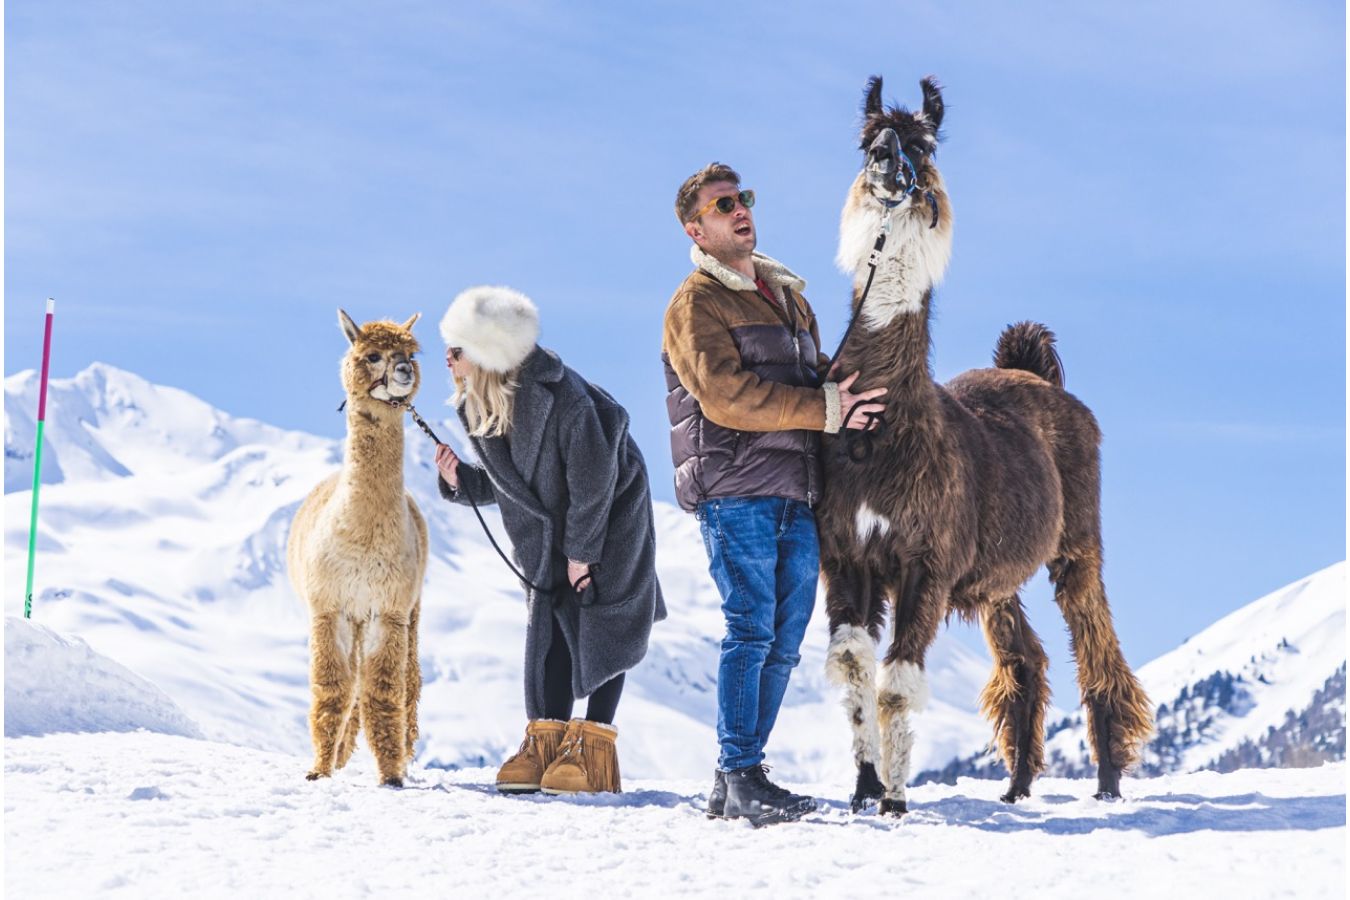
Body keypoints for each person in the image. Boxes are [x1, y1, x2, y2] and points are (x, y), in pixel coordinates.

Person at [662, 163, 888, 825]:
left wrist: (853, 394)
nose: (740, 211)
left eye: (744, 199)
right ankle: (741, 773)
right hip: (736, 488)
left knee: (785, 640)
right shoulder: (696, 301)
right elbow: (726, 396)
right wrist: (825, 409)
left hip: (797, 488)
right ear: (695, 228)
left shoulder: (785, 296)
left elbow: (816, 378)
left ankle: (735, 776)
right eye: (723, 204)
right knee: (751, 628)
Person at [433, 285, 666, 795]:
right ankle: (547, 740)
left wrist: (583, 553)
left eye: (456, 351)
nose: (446, 361)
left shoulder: (567, 401)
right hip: (560, 529)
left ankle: (593, 747)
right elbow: (515, 486)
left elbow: (593, 478)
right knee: (552, 630)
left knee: (602, 626)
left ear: (487, 353)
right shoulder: (486, 405)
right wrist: (460, 482)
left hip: (610, 518)